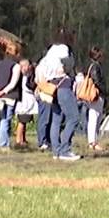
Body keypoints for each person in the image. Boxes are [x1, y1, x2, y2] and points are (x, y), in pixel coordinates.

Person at [38, 29, 82, 161]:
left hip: (52, 86)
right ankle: (65, 149)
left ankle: (56, 150)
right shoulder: (64, 49)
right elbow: (68, 66)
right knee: (73, 117)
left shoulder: (50, 51)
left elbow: (41, 68)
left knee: (56, 119)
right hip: (63, 84)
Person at [0, 44, 23, 150]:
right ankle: (3, 144)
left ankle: (3, 142)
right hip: (9, 96)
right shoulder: (16, 66)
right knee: (6, 120)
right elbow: (13, 82)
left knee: (3, 119)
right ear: (17, 54)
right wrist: (4, 92)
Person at [82, 46, 107, 152]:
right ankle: (92, 142)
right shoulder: (95, 66)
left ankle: (93, 141)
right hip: (96, 94)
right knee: (94, 117)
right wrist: (104, 91)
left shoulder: (93, 66)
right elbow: (97, 80)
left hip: (96, 94)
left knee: (95, 117)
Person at [14, 59, 37, 148]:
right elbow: (27, 87)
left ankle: (23, 139)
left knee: (25, 121)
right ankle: (18, 140)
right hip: (24, 102)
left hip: (27, 102)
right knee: (22, 121)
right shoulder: (22, 77)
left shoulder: (26, 76)